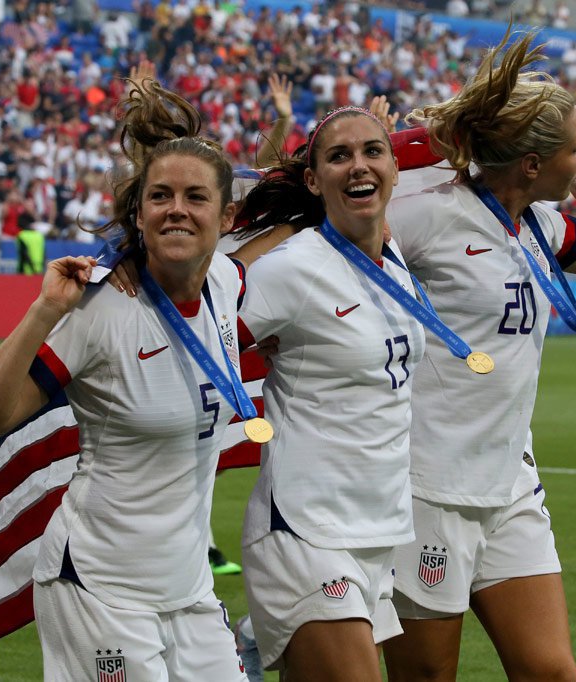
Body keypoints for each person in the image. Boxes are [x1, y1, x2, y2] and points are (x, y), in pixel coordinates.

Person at [0, 71, 271, 681]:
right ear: (139, 209)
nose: (176, 209)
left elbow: (305, 210)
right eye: (159, 196)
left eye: (195, 197)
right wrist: (45, 309)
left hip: (188, 590)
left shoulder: (228, 283)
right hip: (99, 588)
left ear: (227, 214)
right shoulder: (101, 308)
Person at [380, 30, 576, 681]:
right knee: (426, 677)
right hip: (428, 488)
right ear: (530, 164)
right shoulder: (427, 217)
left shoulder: (539, 224)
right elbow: (334, 240)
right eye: (574, 149)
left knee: (552, 672)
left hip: (510, 484)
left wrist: (574, 170)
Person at [228, 105, 438, 681]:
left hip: (378, 531)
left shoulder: (394, 263)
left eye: (373, 151)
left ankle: (247, 644)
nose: (358, 166)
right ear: (314, 181)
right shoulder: (292, 268)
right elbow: (204, 333)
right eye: (339, 156)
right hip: (307, 530)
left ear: (396, 167)